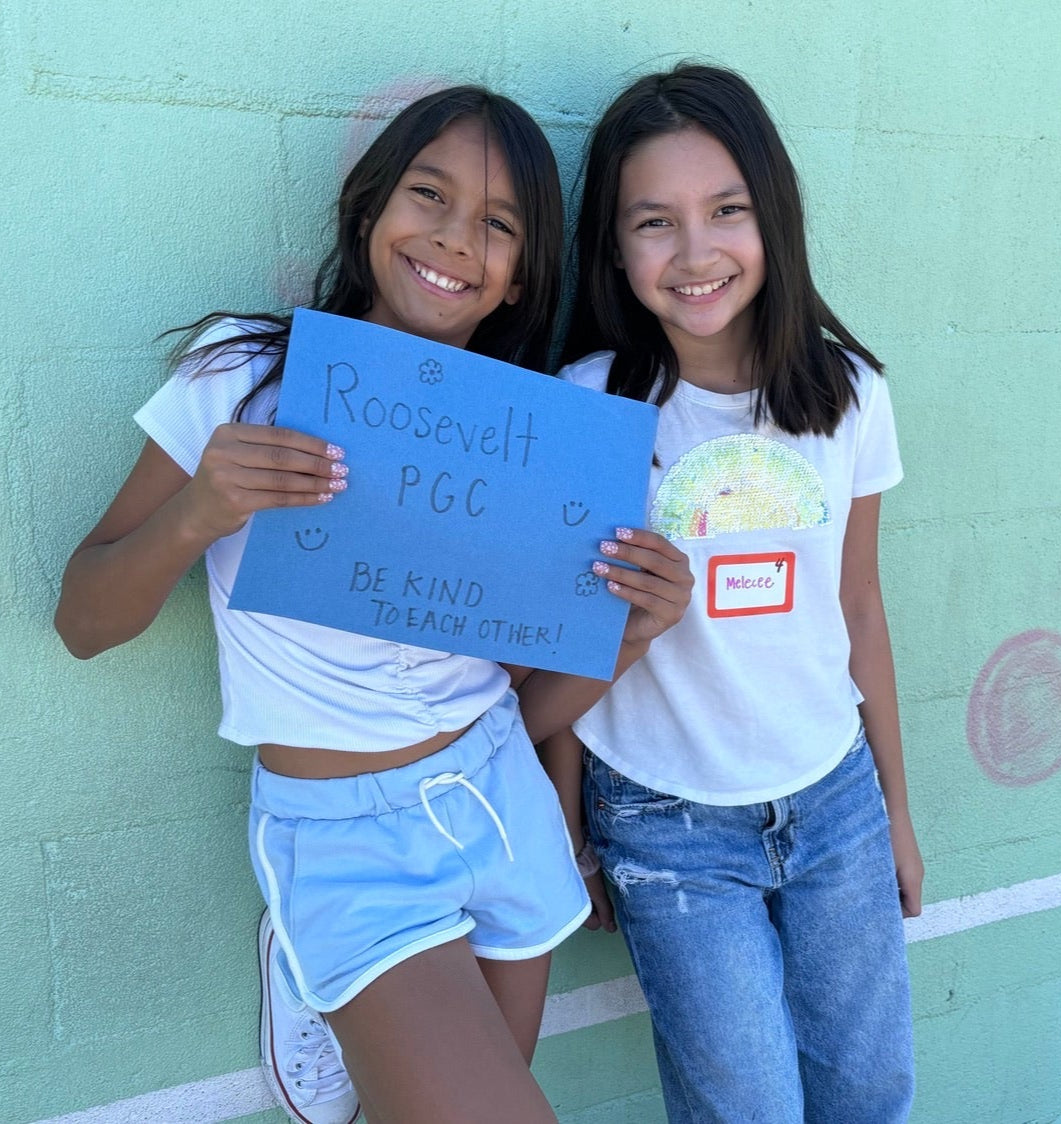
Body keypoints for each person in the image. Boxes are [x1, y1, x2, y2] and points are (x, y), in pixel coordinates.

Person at [54, 85, 692, 1124]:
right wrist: (198, 513)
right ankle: (315, 953)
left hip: (498, 799)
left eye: (496, 224)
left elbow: (517, 706)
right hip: (347, 835)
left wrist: (634, 632)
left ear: (521, 276)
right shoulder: (243, 376)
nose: (452, 239)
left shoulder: (525, 443)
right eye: (426, 195)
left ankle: (335, 985)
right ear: (365, 210)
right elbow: (83, 621)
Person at [545, 63, 924, 1123]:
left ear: (773, 214)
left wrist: (895, 810)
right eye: (653, 222)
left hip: (833, 798)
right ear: (615, 249)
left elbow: (857, 612)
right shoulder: (591, 406)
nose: (695, 251)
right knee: (745, 1106)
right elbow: (567, 644)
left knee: (869, 1091)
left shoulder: (848, 393)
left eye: (726, 210)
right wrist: (569, 822)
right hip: (664, 824)